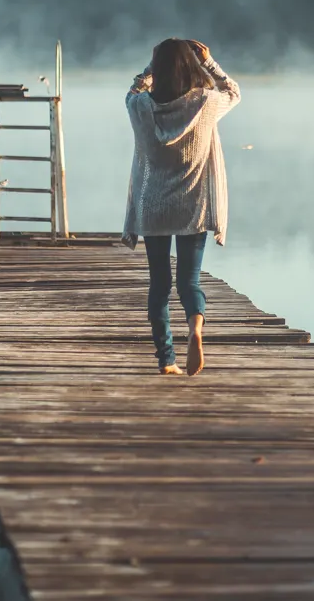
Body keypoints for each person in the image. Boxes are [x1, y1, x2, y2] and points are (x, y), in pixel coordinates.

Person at [123, 38, 241, 376]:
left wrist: (150, 68)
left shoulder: (141, 107)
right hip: (193, 205)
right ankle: (196, 330)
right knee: (189, 280)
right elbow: (233, 92)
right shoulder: (205, 102)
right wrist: (209, 62)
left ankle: (167, 359)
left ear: (158, 70)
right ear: (192, 68)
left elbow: (131, 92)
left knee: (159, 283)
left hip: (153, 206)